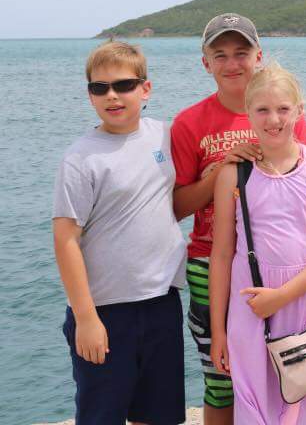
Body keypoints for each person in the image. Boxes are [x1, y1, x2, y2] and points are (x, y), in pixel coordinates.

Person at [170, 13, 306, 423]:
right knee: (227, 383)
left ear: (258, 55)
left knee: (299, 382)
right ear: (206, 62)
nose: (274, 119)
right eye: (220, 54)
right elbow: (184, 210)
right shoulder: (190, 124)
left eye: (241, 52)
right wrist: (223, 170)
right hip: (233, 278)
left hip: (299, 287)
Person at [52, 41, 187, 424]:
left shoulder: (165, 136)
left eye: (124, 85)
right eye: (100, 88)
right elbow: (65, 240)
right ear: (90, 95)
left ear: (145, 89)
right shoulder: (80, 158)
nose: (112, 95)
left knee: (158, 415)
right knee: (101, 415)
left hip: (161, 301)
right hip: (105, 311)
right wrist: (86, 319)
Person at [207, 63, 306, 424]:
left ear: (299, 111)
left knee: (302, 403)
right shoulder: (232, 174)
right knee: (253, 404)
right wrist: (218, 330)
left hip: (300, 305)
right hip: (249, 306)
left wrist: (282, 296)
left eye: (283, 109)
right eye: (263, 110)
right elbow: (221, 254)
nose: (274, 120)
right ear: (247, 112)